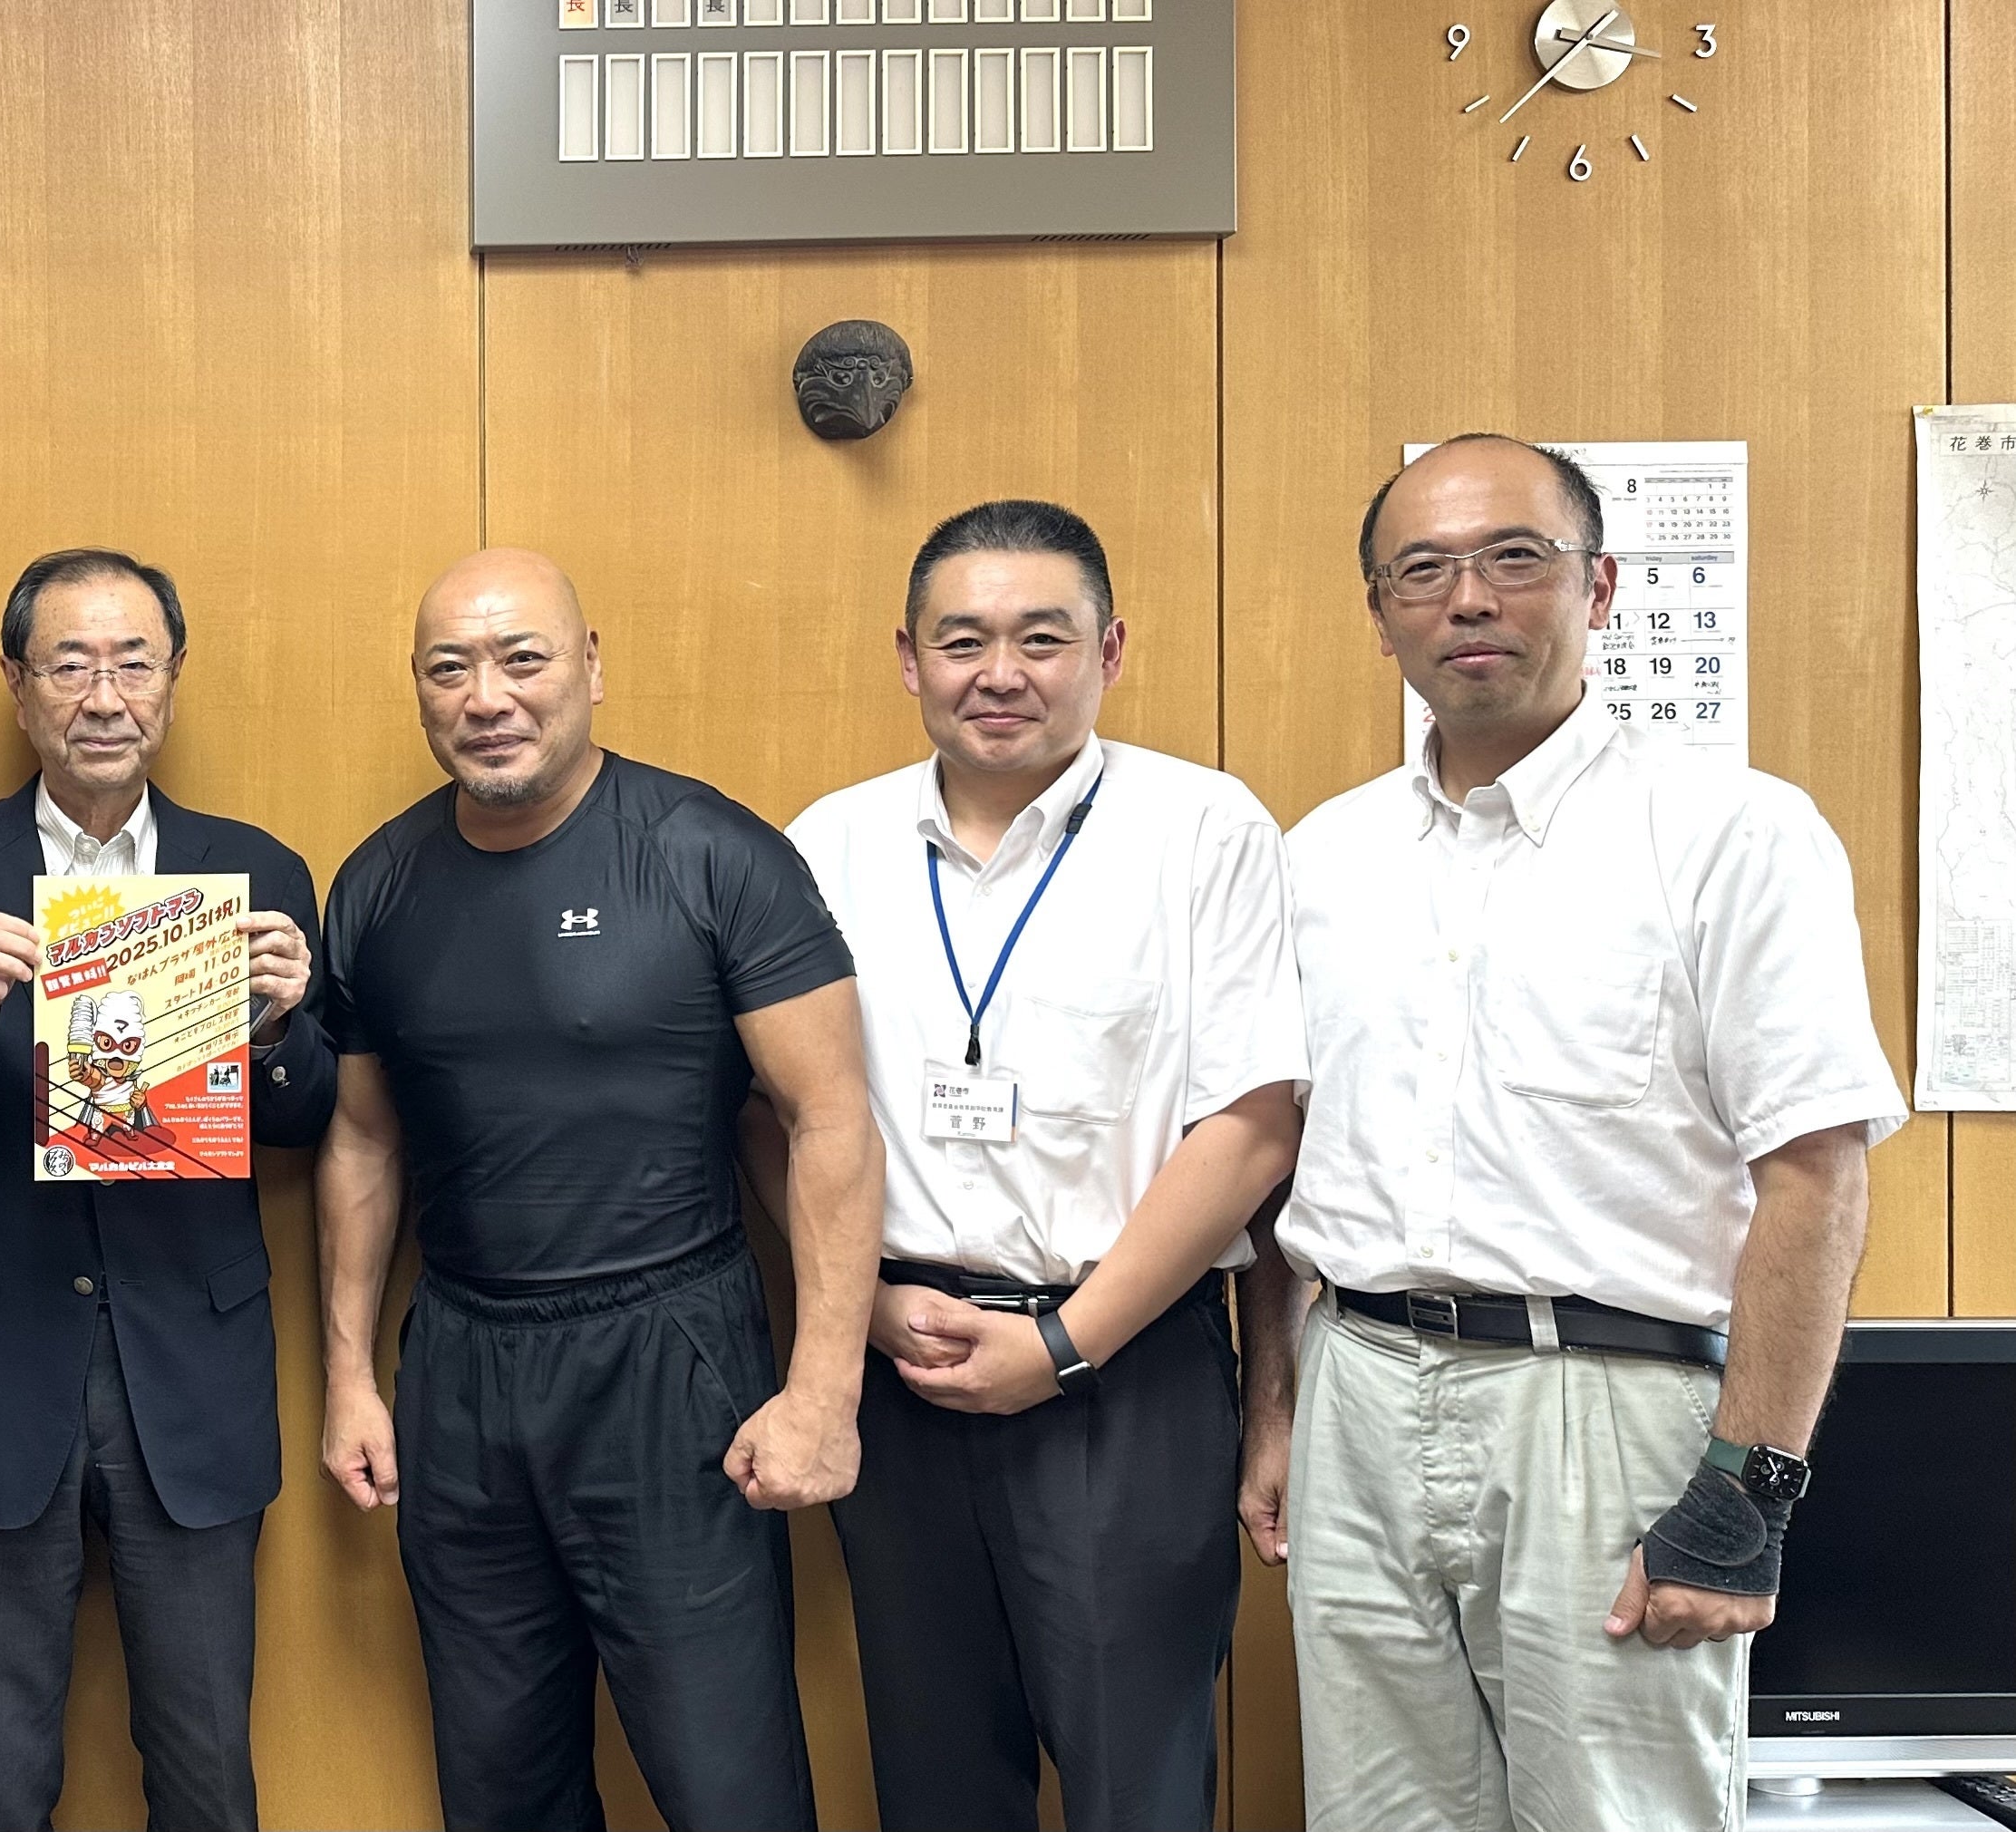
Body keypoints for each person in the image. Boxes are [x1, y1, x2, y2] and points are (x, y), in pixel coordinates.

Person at [1245, 434, 1905, 1831]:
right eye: (1421, 570)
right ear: (1379, 614)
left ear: (1597, 587)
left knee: (1618, 1814)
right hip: (1357, 1383)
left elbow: (1814, 1176)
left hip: (1604, 1402)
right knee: (1375, 1815)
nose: (1466, 598)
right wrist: (1276, 1403)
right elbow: (1277, 1158)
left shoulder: (1730, 832)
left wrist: (1747, 1489)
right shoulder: (1320, 858)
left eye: (1513, 558)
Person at [315, 548, 883, 1832]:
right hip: (460, 1366)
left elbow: (828, 1118)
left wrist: (823, 1393)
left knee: (728, 1785)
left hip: (668, 1356)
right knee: (499, 1788)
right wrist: (350, 1375)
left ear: (590, 666)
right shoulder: (379, 882)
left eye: (522, 659)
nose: (487, 697)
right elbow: (361, 1143)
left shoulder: (712, 853)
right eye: (449, 668)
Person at [773, 499, 1304, 1832]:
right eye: (961, 641)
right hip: (901, 1361)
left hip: (1125, 1370)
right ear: (908, 657)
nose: (998, 673)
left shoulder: (1203, 829)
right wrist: (858, 1307)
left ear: (1108, 650)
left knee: (1138, 1786)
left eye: (1042, 638)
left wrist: (1063, 1344)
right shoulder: (827, 844)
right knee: (935, 1779)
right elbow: (774, 1111)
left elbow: (1251, 1125)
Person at [0, 548, 335, 1832]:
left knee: (208, 1772)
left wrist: (277, 1029)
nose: (105, 695)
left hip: (190, 1369)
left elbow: (309, 1119)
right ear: (18, 684)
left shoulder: (253, 870)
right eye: (69, 664)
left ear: (172, 677)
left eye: (133, 662)